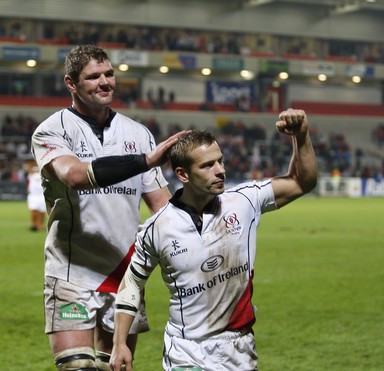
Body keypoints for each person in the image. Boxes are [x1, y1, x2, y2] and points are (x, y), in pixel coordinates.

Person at [110, 108, 318, 371]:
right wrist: (120, 343)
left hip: (239, 348)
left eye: (220, 161)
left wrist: (300, 135)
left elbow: (303, 181)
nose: (220, 170)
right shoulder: (157, 228)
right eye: (207, 165)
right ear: (183, 174)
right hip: (186, 351)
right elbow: (131, 282)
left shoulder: (244, 201)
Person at [31, 44, 186, 371]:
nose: (105, 82)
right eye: (93, 77)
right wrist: (144, 161)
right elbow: (74, 176)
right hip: (73, 272)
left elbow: (162, 208)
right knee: (78, 368)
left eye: (109, 74)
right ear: (71, 83)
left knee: (115, 368)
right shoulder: (52, 130)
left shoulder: (138, 133)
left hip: (127, 276)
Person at [26, 165, 46, 231]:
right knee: (33, 210)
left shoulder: (44, 176)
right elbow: (29, 170)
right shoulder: (31, 176)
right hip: (33, 196)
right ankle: (33, 224)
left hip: (41, 195)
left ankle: (40, 225)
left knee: (42, 211)